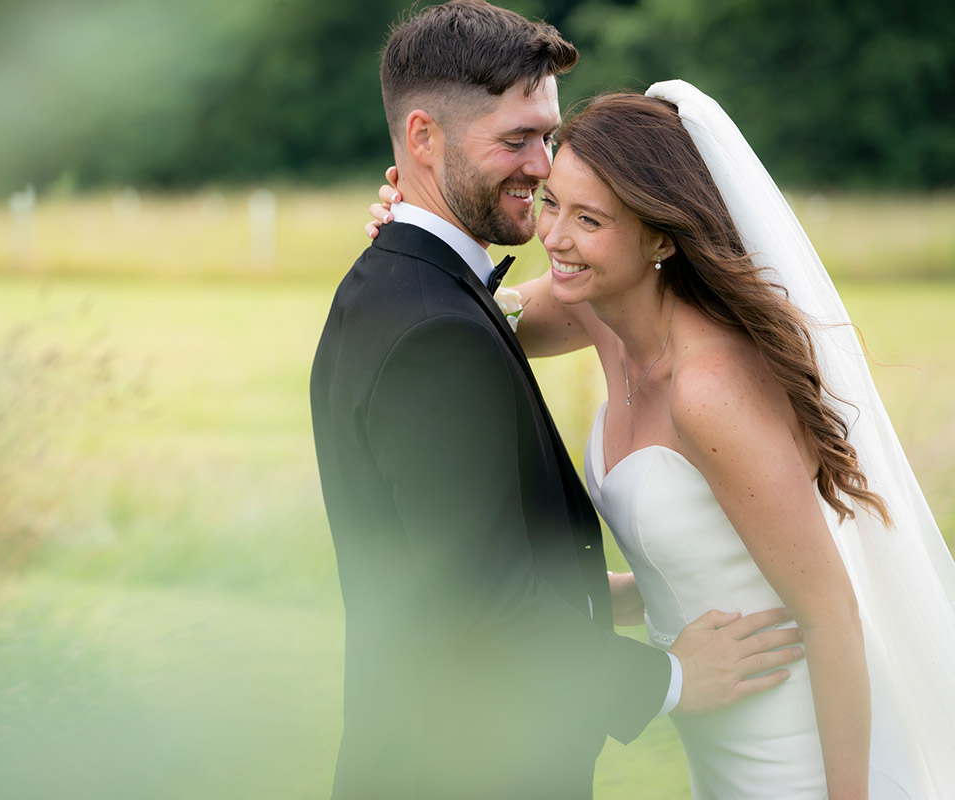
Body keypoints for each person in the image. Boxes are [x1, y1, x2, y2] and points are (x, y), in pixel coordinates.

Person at [366, 80, 955, 797]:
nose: (555, 237)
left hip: (795, 752)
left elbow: (832, 615)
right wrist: (417, 245)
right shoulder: (596, 309)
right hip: (717, 749)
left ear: (661, 238)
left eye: (591, 219)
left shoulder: (709, 392)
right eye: (553, 203)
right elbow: (470, 320)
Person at [311, 3, 805, 798]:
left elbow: (463, 565)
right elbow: (485, 608)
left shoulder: (395, 288)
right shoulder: (434, 334)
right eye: (515, 140)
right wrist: (672, 680)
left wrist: (663, 582)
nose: (544, 165)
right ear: (423, 138)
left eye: (546, 135)